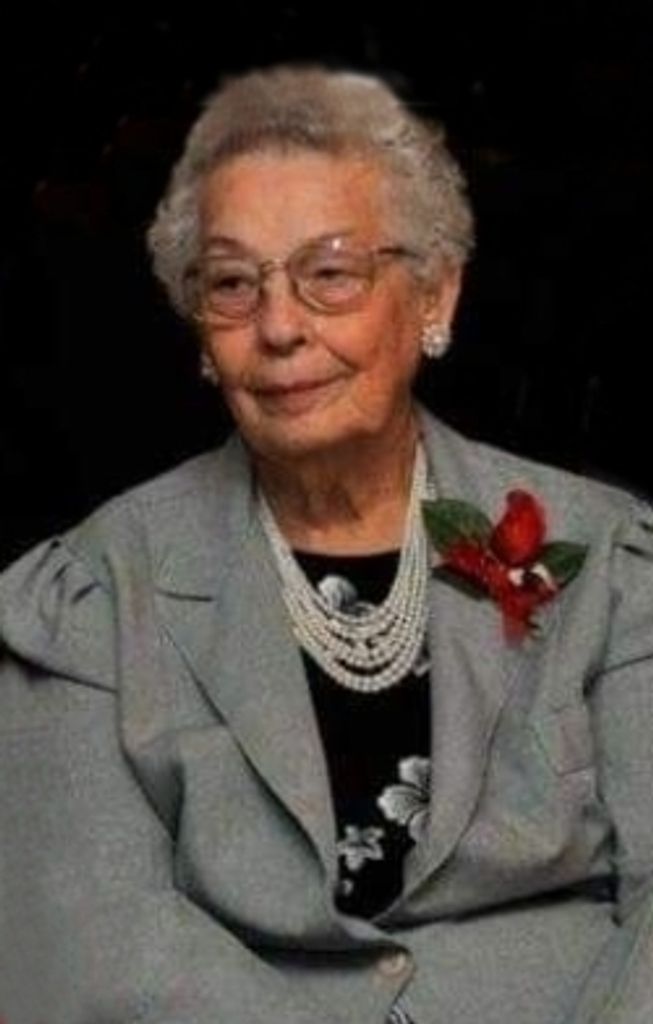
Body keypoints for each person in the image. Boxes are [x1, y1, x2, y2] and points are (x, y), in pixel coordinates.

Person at [1, 64, 652, 1024]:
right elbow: (84, 944)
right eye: (233, 284)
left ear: (433, 296)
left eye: (331, 274)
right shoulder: (90, 597)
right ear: (199, 331)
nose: (279, 327)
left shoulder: (605, 557)